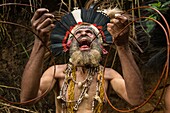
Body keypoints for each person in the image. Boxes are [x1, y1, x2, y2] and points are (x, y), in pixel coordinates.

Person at [20, 8, 144, 113]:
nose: (84, 34)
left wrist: (123, 46)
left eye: (89, 32)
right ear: (68, 45)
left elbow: (136, 100)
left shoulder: (108, 75)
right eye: (78, 33)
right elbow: (27, 100)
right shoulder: (56, 72)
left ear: (101, 46)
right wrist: (39, 43)